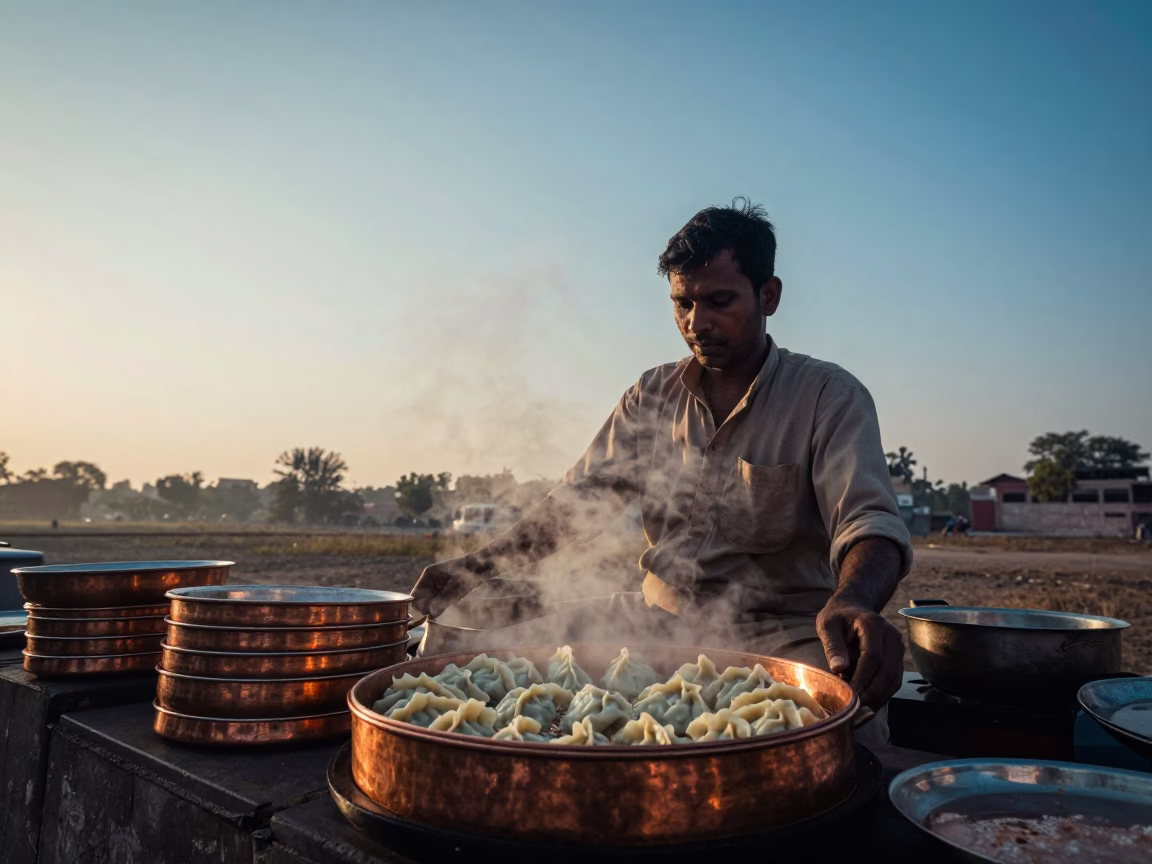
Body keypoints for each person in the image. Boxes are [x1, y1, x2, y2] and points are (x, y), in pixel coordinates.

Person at [413, 199, 912, 709]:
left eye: (720, 301)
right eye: (682, 303)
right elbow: (577, 507)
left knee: (843, 713)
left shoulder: (828, 396)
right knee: (483, 667)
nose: (699, 323)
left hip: (780, 634)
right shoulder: (650, 396)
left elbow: (870, 524)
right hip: (650, 619)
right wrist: (477, 566)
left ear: (769, 295)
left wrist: (852, 601)